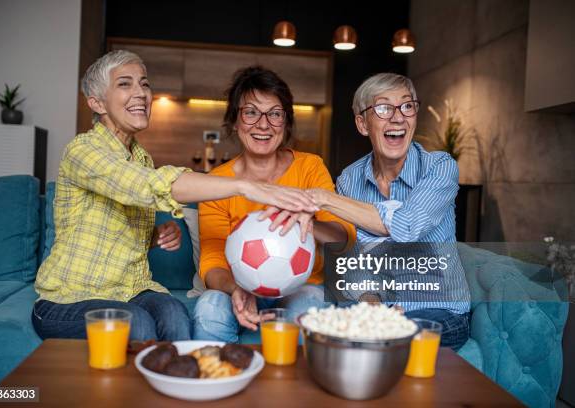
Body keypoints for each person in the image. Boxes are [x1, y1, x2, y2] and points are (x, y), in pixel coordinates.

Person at [32, 51, 318, 342]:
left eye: (144, 84)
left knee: (174, 313)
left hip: (130, 291)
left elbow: (115, 222)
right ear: (96, 102)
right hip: (67, 299)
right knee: (137, 324)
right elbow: (145, 184)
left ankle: (178, 382)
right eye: (125, 84)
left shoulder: (140, 157)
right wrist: (245, 185)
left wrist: (154, 235)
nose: (141, 93)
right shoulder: (83, 150)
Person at [305, 73, 471, 350]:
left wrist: (323, 198)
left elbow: (407, 227)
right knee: (323, 331)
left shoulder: (440, 168)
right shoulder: (350, 180)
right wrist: (372, 306)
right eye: (383, 108)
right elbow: (357, 262)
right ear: (362, 123)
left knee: (383, 340)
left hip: (442, 313)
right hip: (386, 309)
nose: (398, 117)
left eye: (407, 106)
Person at [193, 66, 356, 342]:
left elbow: (344, 238)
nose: (263, 124)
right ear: (235, 121)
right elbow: (212, 261)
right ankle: (219, 378)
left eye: (275, 114)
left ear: (286, 122)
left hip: (302, 287)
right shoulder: (217, 183)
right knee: (209, 308)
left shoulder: (309, 167)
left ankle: (296, 385)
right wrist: (235, 290)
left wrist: (307, 218)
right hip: (238, 287)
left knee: (308, 311)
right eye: (251, 112)